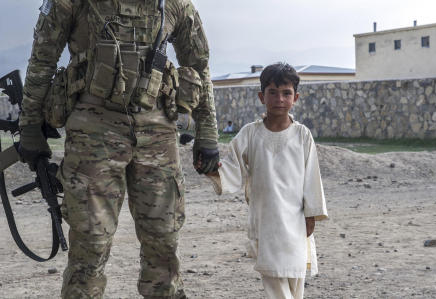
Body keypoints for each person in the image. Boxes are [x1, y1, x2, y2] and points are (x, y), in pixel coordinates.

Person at [18, 0, 219, 298]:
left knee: (163, 239)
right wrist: (30, 127)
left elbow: (199, 64)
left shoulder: (174, 4)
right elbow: (42, 61)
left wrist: (208, 133)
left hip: (158, 133)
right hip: (92, 133)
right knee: (90, 242)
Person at [202, 63, 328, 299]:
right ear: (262, 97)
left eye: (286, 93)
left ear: (296, 97)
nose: (279, 99)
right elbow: (231, 167)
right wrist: (210, 170)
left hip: (296, 221)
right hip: (266, 219)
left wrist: (312, 214)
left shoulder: (302, 135)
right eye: (272, 92)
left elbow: (312, 176)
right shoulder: (250, 134)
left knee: (294, 283)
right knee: (274, 283)